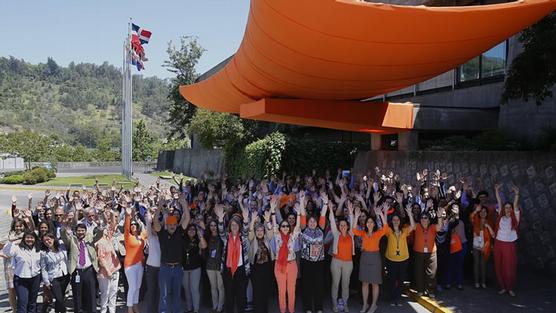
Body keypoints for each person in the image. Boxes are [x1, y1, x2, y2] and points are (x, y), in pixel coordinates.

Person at [153, 197, 190, 313]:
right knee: (163, 296)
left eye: (174, 224)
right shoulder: (162, 234)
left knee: (176, 295)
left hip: (178, 268)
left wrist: (184, 204)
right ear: (167, 225)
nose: (172, 226)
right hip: (165, 268)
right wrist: (159, 207)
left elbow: (187, 218)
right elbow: (155, 222)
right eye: (170, 224)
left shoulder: (180, 231)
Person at [351, 204, 388, 313]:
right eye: (368, 222)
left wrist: (381, 213)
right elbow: (353, 230)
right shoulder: (362, 233)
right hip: (364, 258)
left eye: (371, 222)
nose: (370, 223)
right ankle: (365, 304)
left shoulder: (377, 233)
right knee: (365, 283)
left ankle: (373, 305)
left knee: (375, 283)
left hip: (375, 258)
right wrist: (356, 216)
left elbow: (385, 228)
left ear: (374, 224)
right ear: (366, 224)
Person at [215, 202, 251, 313]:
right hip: (228, 271)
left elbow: (246, 230)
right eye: (232, 225)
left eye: (236, 224)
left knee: (240, 297)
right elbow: (220, 231)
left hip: (241, 270)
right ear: (230, 227)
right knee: (229, 297)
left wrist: (245, 219)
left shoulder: (243, 238)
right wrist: (220, 219)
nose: (234, 226)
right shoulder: (226, 238)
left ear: (239, 226)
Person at [61, 221, 100, 313]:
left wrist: (101, 226)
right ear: (75, 232)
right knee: (77, 294)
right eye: (78, 231)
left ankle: (92, 311)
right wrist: (64, 227)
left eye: (82, 230)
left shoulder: (90, 238)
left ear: (85, 231)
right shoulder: (72, 240)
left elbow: (99, 235)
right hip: (77, 271)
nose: (80, 232)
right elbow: (63, 236)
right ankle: (78, 310)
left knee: (91, 293)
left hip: (89, 270)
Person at [271, 197, 301, 313]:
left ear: (289, 228)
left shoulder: (292, 237)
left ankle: (291, 310)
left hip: (292, 265)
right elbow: (274, 225)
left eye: (287, 226)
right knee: (281, 291)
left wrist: (298, 213)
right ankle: (283, 311)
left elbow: (298, 227)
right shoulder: (277, 236)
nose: (285, 227)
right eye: (283, 226)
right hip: (279, 266)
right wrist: (273, 211)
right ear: (280, 228)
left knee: (291, 290)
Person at [299, 192, 327, 313]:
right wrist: (301, 202)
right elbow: (302, 214)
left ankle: (319, 308)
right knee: (307, 287)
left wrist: (325, 203)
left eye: (314, 221)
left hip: (319, 263)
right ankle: (308, 308)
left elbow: (323, 214)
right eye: (310, 221)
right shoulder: (304, 229)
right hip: (306, 262)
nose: (312, 223)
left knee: (318, 287)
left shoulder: (321, 229)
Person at [2, 230, 41, 313]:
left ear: (35, 239)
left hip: (35, 278)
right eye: (27, 238)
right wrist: (11, 241)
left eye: (32, 238)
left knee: (32, 302)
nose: (29, 239)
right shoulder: (17, 248)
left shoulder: (38, 248)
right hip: (21, 279)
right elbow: (7, 252)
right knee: (23, 302)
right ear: (23, 239)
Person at [493, 184, 521, 297]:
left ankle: (510, 288)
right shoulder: (501, 216)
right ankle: (503, 287)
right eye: (506, 207)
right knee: (498, 266)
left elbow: (515, 205)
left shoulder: (515, 217)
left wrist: (517, 194)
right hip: (498, 243)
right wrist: (496, 191)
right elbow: (499, 201)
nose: (508, 209)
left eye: (509, 207)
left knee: (509, 267)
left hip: (509, 245)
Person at [385, 205, 415, 306]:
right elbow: (384, 225)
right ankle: (391, 297)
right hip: (391, 260)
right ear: (391, 221)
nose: (396, 221)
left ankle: (397, 297)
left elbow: (413, 226)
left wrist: (410, 214)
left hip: (403, 260)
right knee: (391, 280)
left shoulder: (405, 230)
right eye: (394, 220)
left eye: (397, 220)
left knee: (401, 280)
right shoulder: (389, 231)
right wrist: (384, 212)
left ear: (400, 221)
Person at [328, 199, 354, 313]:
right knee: (335, 284)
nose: (342, 226)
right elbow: (332, 221)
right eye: (341, 225)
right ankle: (334, 304)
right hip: (336, 262)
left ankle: (345, 303)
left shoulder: (351, 234)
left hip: (348, 263)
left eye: (344, 225)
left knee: (345, 284)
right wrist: (330, 209)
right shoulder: (336, 233)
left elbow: (352, 221)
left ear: (347, 226)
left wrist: (350, 211)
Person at [248, 211, 275, 313]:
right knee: (257, 290)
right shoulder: (252, 239)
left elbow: (270, 231)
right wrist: (252, 221)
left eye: (261, 230)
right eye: (257, 230)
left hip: (266, 268)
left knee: (265, 290)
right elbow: (249, 233)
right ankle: (257, 310)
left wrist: (268, 220)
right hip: (256, 268)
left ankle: (264, 310)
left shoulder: (267, 239)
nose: (259, 232)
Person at [413, 209, 443, 298]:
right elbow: (412, 225)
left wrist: (440, 217)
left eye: (425, 218)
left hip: (431, 253)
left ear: (429, 220)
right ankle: (420, 290)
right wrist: (410, 215)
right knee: (419, 272)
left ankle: (431, 290)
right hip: (418, 252)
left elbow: (440, 227)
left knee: (432, 273)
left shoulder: (433, 227)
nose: (423, 219)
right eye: (422, 217)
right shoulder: (417, 226)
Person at [123, 202, 147, 313]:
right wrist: (128, 215)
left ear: (138, 227)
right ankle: (129, 308)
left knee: (138, 286)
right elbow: (126, 225)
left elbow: (149, 228)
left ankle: (135, 305)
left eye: (135, 225)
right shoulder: (128, 237)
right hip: (130, 265)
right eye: (131, 225)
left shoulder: (142, 236)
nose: (133, 226)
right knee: (132, 287)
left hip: (139, 264)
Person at [95, 211, 121, 313]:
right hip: (104, 273)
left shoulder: (109, 239)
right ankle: (103, 310)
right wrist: (108, 271)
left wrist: (111, 214)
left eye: (108, 229)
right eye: (105, 229)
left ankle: (112, 310)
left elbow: (113, 225)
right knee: (105, 294)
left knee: (113, 293)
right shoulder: (100, 242)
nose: (108, 230)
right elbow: (100, 258)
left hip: (115, 270)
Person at [0, 217, 26, 312]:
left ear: (23, 226)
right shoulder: (8, 236)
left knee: (22, 288)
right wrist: (2, 254)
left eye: (20, 226)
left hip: (22, 265)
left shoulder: (26, 235)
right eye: (16, 226)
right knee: (11, 289)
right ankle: (14, 310)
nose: (18, 228)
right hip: (10, 266)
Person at [40, 232, 70, 313]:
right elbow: (43, 268)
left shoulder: (61, 246)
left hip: (65, 275)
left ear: (53, 239)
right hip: (53, 278)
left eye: (48, 239)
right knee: (59, 298)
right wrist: (46, 282)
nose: (47, 242)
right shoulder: (43, 253)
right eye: (44, 241)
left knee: (61, 297)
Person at [182, 224, 207, 313]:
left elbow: (204, 246)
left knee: (194, 289)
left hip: (195, 268)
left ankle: (196, 309)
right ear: (187, 230)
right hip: (184, 268)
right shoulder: (183, 239)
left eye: (193, 229)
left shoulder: (197, 240)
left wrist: (200, 236)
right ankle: (189, 308)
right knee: (187, 289)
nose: (192, 231)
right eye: (190, 229)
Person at [470, 205, 494, 289]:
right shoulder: (476, 220)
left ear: (487, 213)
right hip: (476, 245)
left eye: (485, 211)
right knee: (476, 264)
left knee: (483, 264)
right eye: (481, 211)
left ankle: (483, 282)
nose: (483, 213)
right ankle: (476, 282)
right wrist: (476, 211)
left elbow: (493, 235)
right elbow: (471, 217)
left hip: (485, 246)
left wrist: (488, 226)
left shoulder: (490, 221)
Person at [205, 219, 225, 313]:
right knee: (213, 286)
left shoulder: (222, 237)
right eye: (211, 225)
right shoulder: (207, 237)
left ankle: (220, 307)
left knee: (220, 287)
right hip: (209, 265)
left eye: (215, 225)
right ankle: (215, 305)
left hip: (220, 264)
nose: (213, 227)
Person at [144, 207, 161, 313]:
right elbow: (148, 222)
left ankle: (158, 310)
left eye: (157, 227)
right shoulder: (150, 236)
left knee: (159, 291)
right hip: (150, 268)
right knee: (151, 291)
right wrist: (150, 211)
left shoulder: (163, 236)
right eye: (153, 227)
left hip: (161, 268)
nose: (155, 229)